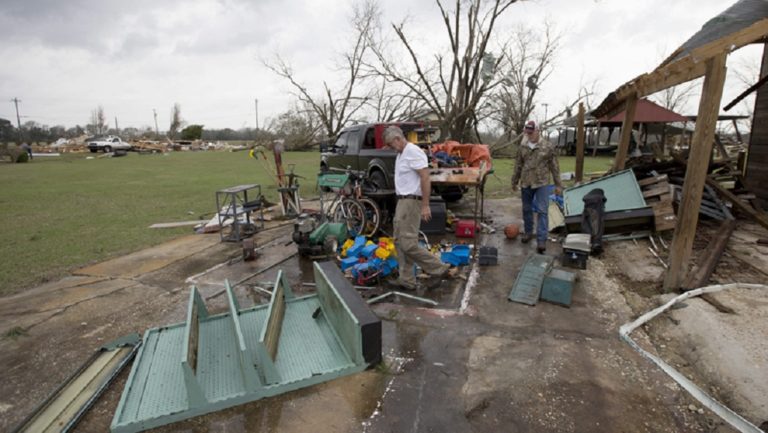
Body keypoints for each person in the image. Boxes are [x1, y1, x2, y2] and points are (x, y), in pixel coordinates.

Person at [383, 126, 451, 290]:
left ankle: (439, 269)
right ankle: (406, 280)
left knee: (408, 244)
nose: (391, 149)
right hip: (403, 201)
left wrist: (425, 205)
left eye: (391, 145)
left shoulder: (413, 152)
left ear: (398, 139)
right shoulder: (402, 153)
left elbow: (425, 177)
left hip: (411, 202)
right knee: (400, 241)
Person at [511, 120, 562, 254]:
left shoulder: (547, 146)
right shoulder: (523, 146)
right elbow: (518, 165)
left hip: (542, 183)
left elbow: (555, 167)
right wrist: (514, 181)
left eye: (531, 132)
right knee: (526, 209)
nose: (529, 135)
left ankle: (541, 240)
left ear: (538, 131)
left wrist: (558, 185)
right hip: (526, 182)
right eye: (527, 132)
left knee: (542, 211)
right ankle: (528, 233)